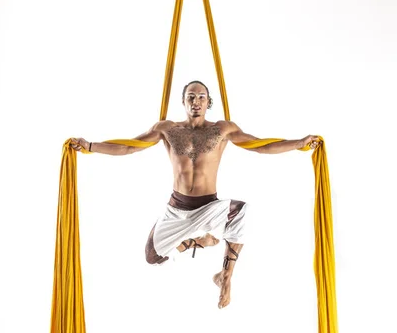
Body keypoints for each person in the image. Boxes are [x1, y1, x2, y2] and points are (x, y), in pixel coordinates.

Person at [70, 80, 320, 309]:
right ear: (183, 102)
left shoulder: (223, 130)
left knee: (241, 211)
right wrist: (90, 146)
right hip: (176, 208)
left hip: (208, 207)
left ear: (208, 102)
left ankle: (226, 275)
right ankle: (197, 241)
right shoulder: (167, 129)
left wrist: (299, 143)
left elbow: (262, 145)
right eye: (191, 97)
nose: (196, 101)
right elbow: (127, 146)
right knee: (152, 257)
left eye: (201, 97)